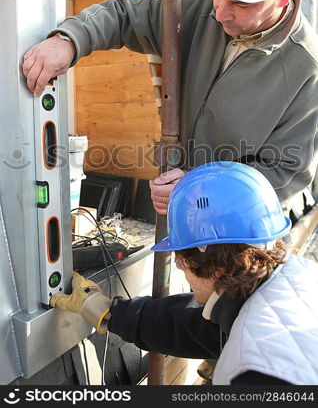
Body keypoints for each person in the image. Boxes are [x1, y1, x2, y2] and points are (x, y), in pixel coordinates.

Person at [22, 0, 318, 213]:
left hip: (236, 225)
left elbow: (285, 173)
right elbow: (124, 15)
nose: (219, 12)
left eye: (241, 4)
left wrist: (200, 189)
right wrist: (69, 39)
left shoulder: (307, 69)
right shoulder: (194, 3)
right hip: (180, 210)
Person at [50, 162, 318, 385]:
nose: (178, 266)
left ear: (211, 263)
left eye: (180, 257)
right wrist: (109, 313)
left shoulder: (255, 373)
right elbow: (194, 328)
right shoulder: (292, 280)